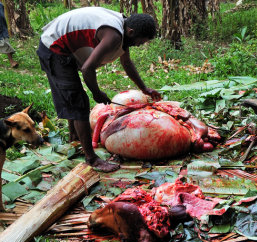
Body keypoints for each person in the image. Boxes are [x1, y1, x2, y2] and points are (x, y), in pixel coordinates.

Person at [37, 7, 161, 172]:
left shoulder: (123, 29)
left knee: (74, 96)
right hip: (54, 47)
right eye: (141, 41)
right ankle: (92, 159)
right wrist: (97, 93)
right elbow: (88, 68)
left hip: (65, 46)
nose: (140, 45)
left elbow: (127, 63)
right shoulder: (114, 35)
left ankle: (74, 136)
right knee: (79, 102)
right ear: (131, 32)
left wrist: (144, 88)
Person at [0, 2, 18, 68]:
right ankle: (11, 61)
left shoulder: (0, 5)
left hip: (1, 29)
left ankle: (11, 61)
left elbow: (1, 18)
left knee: (5, 42)